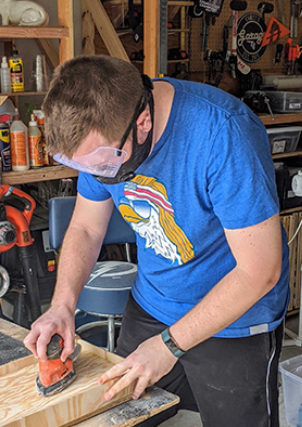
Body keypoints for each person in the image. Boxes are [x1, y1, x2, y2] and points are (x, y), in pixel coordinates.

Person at [24, 55, 289, 427]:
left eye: (103, 164)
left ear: (142, 122)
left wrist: (168, 346)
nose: (98, 175)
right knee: (114, 418)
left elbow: (259, 271)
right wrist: (62, 306)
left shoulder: (224, 133)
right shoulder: (99, 139)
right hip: (154, 304)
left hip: (235, 319)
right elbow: (86, 227)